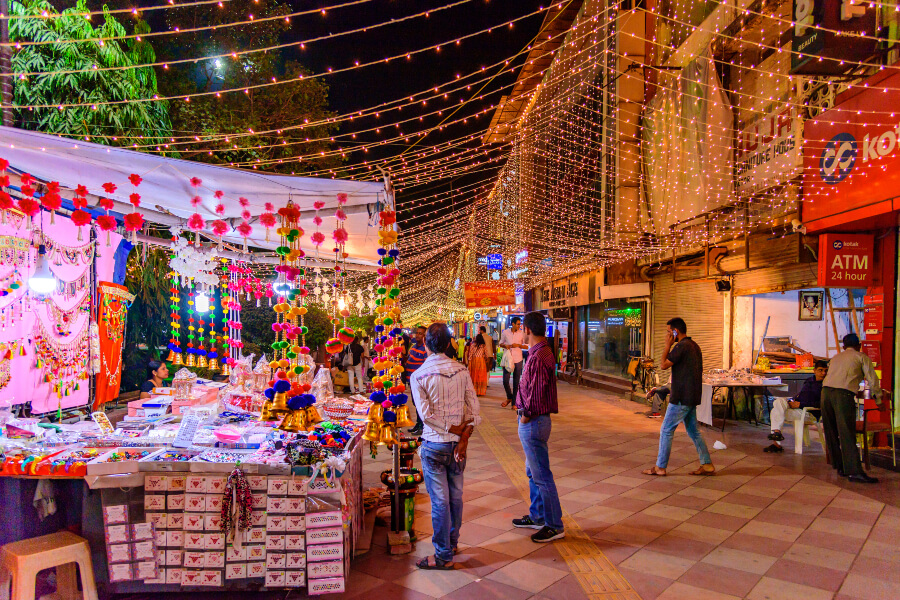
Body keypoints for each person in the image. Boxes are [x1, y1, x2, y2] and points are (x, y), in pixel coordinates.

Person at [410, 323, 480, 570]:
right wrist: (464, 437)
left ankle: (443, 556)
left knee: (440, 501)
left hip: (434, 446)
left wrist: (456, 432)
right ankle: (451, 543)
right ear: (450, 344)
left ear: (426, 344)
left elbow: (426, 416)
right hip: (456, 448)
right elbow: (474, 410)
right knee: (456, 497)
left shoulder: (418, 375)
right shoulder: (462, 370)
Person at [512, 312, 564, 543]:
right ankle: (538, 515)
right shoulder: (537, 352)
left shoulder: (540, 355)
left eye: (522, 328)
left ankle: (554, 525)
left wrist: (526, 416)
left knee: (542, 476)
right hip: (531, 420)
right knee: (533, 472)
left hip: (534, 421)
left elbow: (537, 392)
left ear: (528, 330)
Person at [642, 317, 715, 477]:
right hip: (691, 396)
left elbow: (663, 364)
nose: (667, 335)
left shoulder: (681, 346)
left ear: (676, 332)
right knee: (693, 431)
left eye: (669, 332)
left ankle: (660, 467)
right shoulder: (694, 346)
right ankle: (707, 464)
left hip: (681, 397)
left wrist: (667, 346)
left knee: (666, 430)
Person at [821, 333, 883, 483]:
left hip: (825, 393)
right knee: (847, 432)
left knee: (831, 431)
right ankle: (854, 471)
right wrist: (879, 399)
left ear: (843, 346)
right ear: (859, 345)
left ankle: (840, 466)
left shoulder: (835, 358)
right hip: (842, 395)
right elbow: (872, 379)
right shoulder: (861, 357)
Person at [765, 360, 828, 453]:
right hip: (797, 408)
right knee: (779, 402)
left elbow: (823, 403)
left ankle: (776, 441)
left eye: (825, 371)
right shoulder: (809, 381)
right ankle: (777, 433)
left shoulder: (826, 385)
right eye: (820, 370)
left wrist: (801, 404)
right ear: (814, 370)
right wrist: (792, 400)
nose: (823, 373)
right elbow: (801, 394)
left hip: (809, 413)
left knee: (776, 411)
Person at [404, 326, 429, 436]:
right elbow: (409, 359)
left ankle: (422, 426)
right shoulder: (414, 347)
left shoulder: (425, 348)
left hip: (420, 381)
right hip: (411, 380)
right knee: (415, 403)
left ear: (425, 336)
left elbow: (425, 365)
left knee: (420, 403)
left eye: (420, 333)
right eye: (417, 333)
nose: (417, 335)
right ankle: (418, 424)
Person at [499, 317, 526, 408]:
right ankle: (509, 397)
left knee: (516, 382)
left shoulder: (522, 333)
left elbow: (527, 346)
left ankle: (514, 403)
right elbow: (500, 343)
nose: (519, 326)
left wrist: (518, 345)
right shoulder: (505, 332)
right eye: (518, 324)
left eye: (520, 324)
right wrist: (505, 345)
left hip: (518, 359)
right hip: (508, 359)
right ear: (513, 324)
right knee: (505, 381)